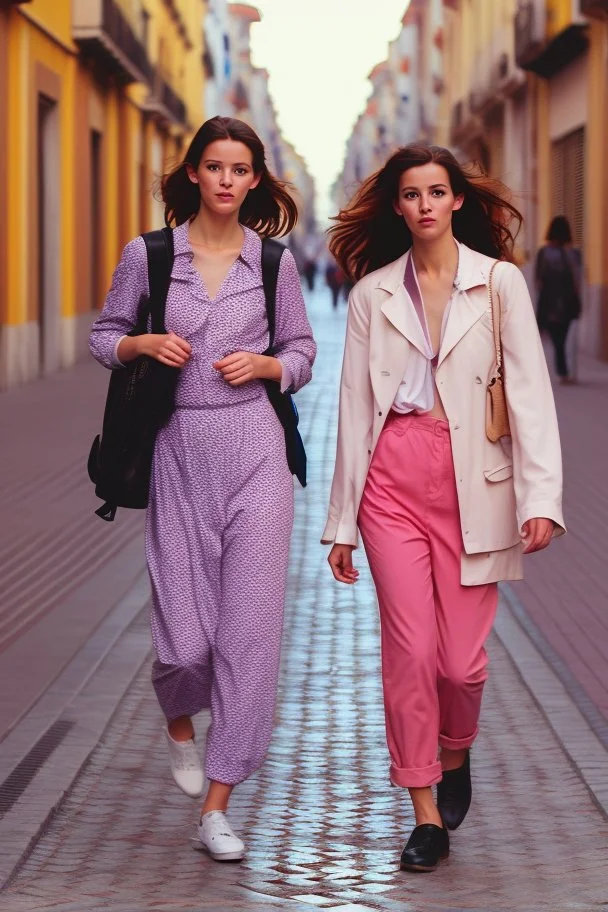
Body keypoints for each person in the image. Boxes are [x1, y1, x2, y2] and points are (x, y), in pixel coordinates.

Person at [322, 144, 564, 873]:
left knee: (460, 667)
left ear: (457, 199)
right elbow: (354, 409)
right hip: (391, 484)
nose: (425, 204)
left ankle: (454, 755)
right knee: (411, 652)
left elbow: (529, 394)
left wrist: (541, 495)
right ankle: (423, 807)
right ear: (396, 206)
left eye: (437, 191)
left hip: (474, 485)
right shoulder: (372, 295)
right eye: (411, 193)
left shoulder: (500, 285)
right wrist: (341, 524)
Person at [90, 116, 316, 862]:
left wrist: (270, 367)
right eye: (213, 166)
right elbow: (103, 335)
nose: (225, 179)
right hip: (176, 448)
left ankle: (220, 804)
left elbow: (304, 349)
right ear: (193, 173)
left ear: (255, 180)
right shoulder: (149, 256)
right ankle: (179, 722)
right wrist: (141, 343)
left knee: (247, 637)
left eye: (239, 168)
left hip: (255, 449)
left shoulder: (274, 263)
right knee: (186, 645)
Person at [535, 215, 582, 383]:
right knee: (562, 338)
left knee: (558, 340)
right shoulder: (573, 253)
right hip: (567, 302)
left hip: (550, 302)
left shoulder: (545, 253)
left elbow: (539, 280)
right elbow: (577, 280)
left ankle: (563, 371)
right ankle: (563, 371)